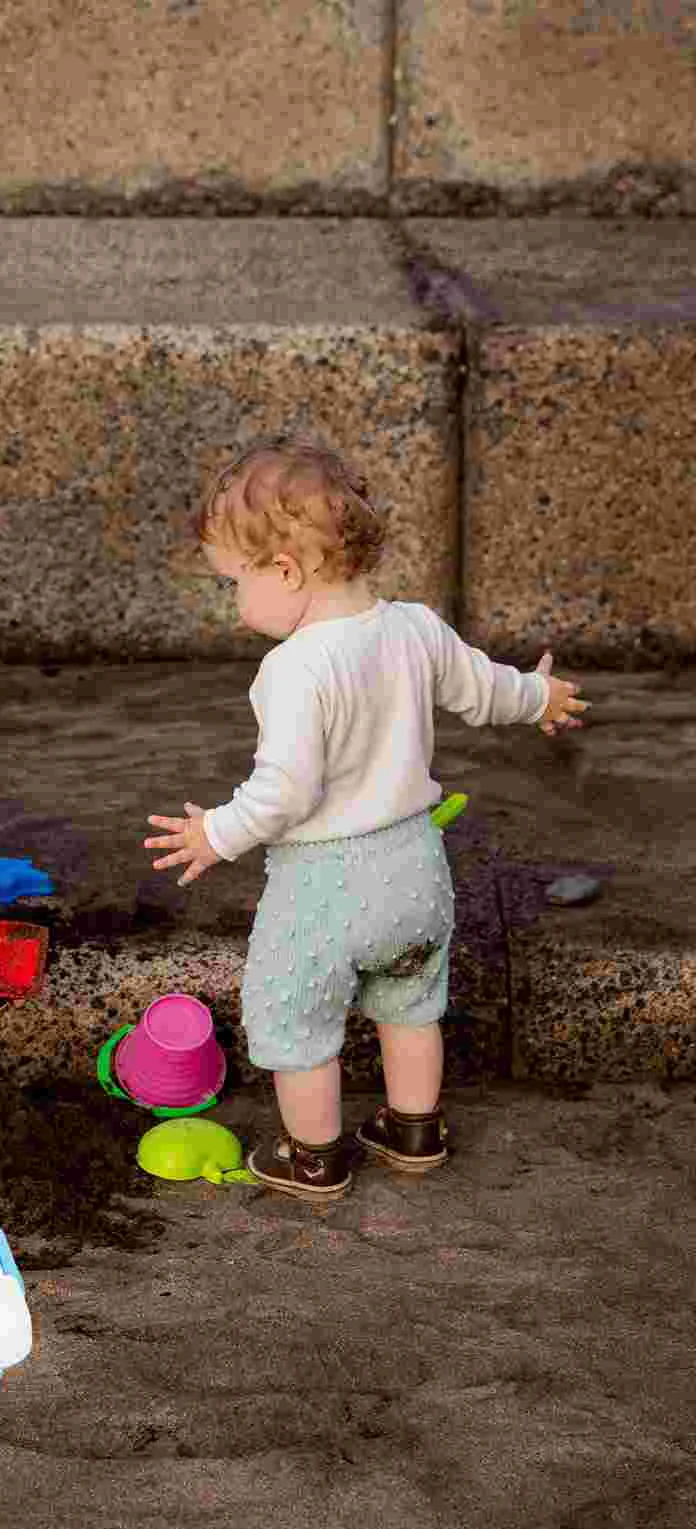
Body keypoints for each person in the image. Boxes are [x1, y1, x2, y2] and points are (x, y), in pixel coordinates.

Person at [144, 439, 589, 1199]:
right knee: (410, 1005)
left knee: (295, 1018)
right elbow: (485, 689)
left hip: (326, 886)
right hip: (417, 869)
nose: (236, 601)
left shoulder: (293, 670)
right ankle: (414, 1128)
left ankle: (314, 1156)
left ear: (285, 571)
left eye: (233, 583)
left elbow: (284, 791)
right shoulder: (413, 627)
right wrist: (539, 696)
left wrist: (214, 834)